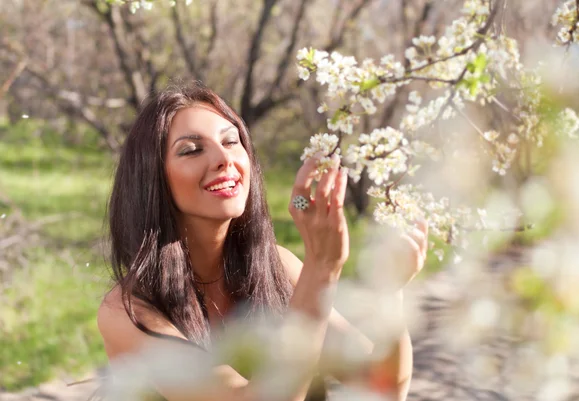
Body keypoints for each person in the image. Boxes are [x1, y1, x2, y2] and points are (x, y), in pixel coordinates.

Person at [97, 81, 428, 401]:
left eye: (231, 141)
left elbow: (381, 387)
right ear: (153, 179)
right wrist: (321, 269)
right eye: (192, 149)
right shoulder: (126, 313)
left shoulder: (278, 267)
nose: (224, 159)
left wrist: (391, 290)